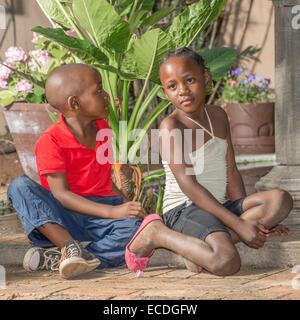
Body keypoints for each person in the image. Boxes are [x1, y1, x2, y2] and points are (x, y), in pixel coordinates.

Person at [125, 47, 293, 276]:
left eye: (190, 80)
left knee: (280, 200)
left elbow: (231, 171)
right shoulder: (171, 127)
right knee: (226, 262)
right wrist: (240, 224)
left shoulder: (218, 115)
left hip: (217, 206)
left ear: (206, 78)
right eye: (173, 86)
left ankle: (201, 248)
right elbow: (190, 187)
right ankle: (157, 233)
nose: (183, 91)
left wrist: (258, 220)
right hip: (184, 209)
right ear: (165, 93)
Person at [8, 64, 145, 279]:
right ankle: (70, 247)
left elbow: (103, 179)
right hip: (64, 216)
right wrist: (113, 213)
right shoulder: (51, 140)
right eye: (99, 90)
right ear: (75, 103)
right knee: (20, 187)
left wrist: (124, 205)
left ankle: (64, 258)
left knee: (137, 229)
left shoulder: (103, 129)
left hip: (99, 211)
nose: (106, 95)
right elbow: (61, 195)